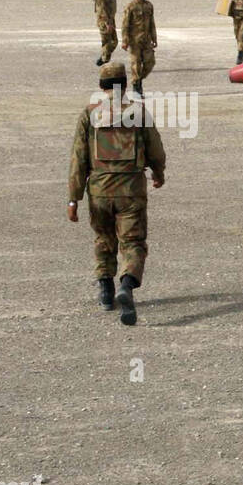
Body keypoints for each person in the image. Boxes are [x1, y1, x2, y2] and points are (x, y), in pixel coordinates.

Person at [67, 62, 166, 326]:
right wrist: (158, 172)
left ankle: (106, 292)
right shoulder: (138, 111)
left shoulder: (89, 113)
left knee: (103, 238)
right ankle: (127, 284)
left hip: (99, 190)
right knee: (132, 242)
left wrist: (73, 198)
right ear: (125, 84)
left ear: (101, 87)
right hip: (131, 189)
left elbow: (78, 159)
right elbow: (155, 148)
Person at [120, 0, 157, 97]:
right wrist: (125, 40)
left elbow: (152, 23)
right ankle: (136, 87)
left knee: (150, 62)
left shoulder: (149, 6)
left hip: (146, 40)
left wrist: (154, 38)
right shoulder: (130, 7)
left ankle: (138, 80)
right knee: (136, 64)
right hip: (134, 41)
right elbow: (125, 25)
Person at [93, 0, 116, 66]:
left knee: (114, 41)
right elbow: (101, 10)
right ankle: (104, 60)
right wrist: (107, 23)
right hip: (104, 22)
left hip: (110, 20)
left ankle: (104, 58)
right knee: (107, 42)